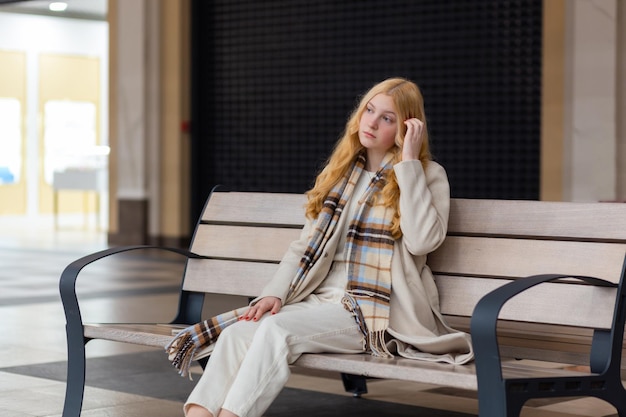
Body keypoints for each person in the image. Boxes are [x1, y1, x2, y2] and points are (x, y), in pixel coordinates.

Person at [166, 77, 474, 417]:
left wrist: (409, 163)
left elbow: (423, 241)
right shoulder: (341, 173)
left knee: (275, 331)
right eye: (369, 110)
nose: (371, 121)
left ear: (407, 128)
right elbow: (304, 245)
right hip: (318, 299)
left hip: (374, 313)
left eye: (388, 118)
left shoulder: (426, 174)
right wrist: (275, 293)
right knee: (238, 334)